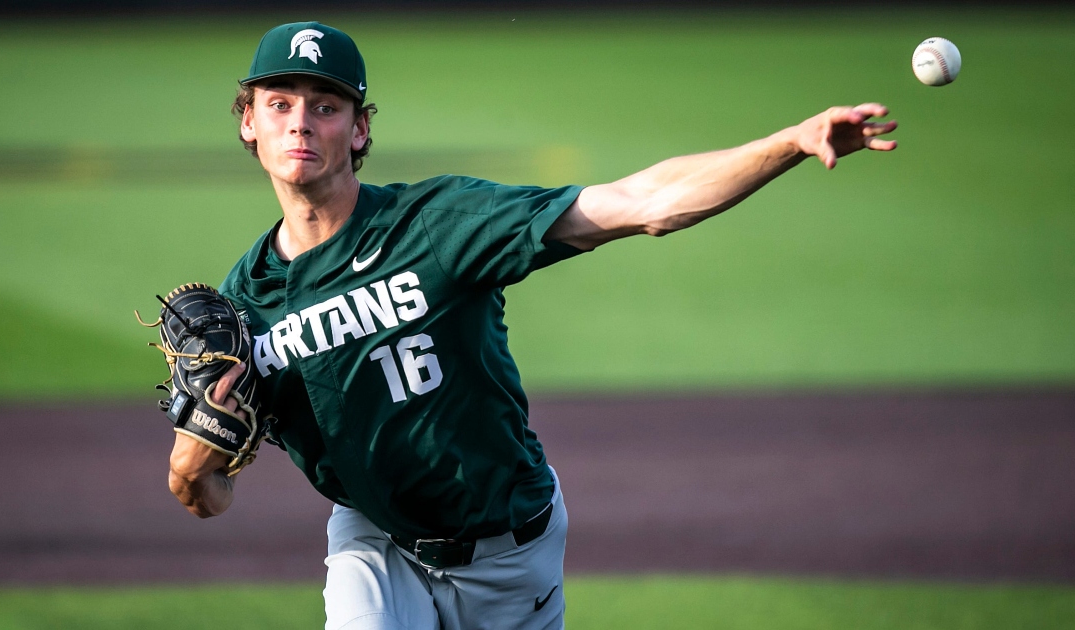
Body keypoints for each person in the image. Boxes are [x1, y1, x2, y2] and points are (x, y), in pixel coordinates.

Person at [165, 21, 897, 630]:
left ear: (359, 131)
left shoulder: (441, 226)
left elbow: (643, 203)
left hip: (509, 551)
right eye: (280, 101)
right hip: (376, 543)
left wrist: (791, 143)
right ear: (248, 122)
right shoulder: (242, 310)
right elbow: (210, 496)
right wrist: (191, 472)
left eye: (325, 106)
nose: (300, 120)